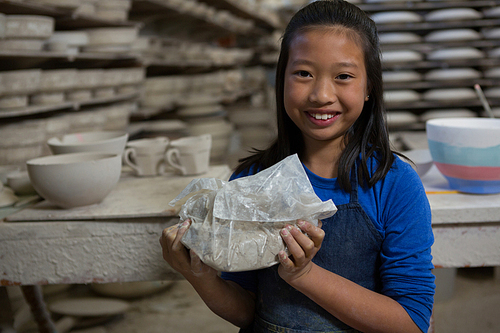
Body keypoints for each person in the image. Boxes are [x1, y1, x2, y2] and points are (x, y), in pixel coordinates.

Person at [159, 0, 435, 332]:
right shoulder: (251, 180)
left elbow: (412, 322)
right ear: (282, 79)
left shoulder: (394, 184)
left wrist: (305, 275)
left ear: (368, 88)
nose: (321, 94)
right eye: (303, 73)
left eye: (343, 76)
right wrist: (198, 274)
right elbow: (247, 310)